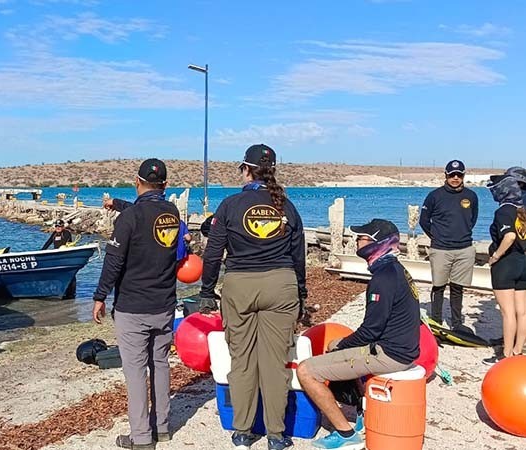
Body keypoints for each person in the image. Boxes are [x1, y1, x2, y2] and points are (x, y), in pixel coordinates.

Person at [198, 144, 305, 450]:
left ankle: (243, 431)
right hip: (281, 284)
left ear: (246, 170)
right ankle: (276, 434)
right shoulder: (287, 205)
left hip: (240, 285)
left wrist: (207, 291)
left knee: (242, 360)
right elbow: (298, 254)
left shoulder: (230, 204)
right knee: (275, 362)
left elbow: (213, 253)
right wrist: (300, 290)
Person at [296, 219, 420, 449]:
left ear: (377, 243)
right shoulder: (395, 269)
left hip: (390, 354)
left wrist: (342, 344)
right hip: (402, 348)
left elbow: (370, 330)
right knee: (336, 348)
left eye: (362, 238)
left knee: (306, 371)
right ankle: (362, 412)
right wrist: (340, 346)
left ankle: (346, 434)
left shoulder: (383, 279)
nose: (356, 241)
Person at [93, 158, 181, 450]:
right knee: (160, 364)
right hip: (164, 303)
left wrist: (99, 296)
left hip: (133, 306)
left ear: (137, 181)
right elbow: (179, 253)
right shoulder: (172, 212)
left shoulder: (129, 218)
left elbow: (113, 261)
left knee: (135, 371)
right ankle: (163, 427)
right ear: (165, 185)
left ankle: (142, 437)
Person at [419, 160, 479, 332]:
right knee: (438, 286)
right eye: (452, 174)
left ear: (463, 175)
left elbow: (472, 219)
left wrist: (461, 233)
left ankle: (457, 323)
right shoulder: (434, 196)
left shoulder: (471, 196)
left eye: (459, 174)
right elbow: (424, 220)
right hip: (440, 249)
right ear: (445, 175)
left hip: (464, 249)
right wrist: (436, 236)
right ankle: (436, 321)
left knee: (457, 287)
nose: (455, 177)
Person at [483, 168, 526, 365]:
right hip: (522, 262)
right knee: (522, 312)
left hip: (506, 264)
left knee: (507, 312)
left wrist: (496, 256)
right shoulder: (522, 210)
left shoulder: (504, 210)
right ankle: (518, 348)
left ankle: (506, 354)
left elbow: (508, 236)